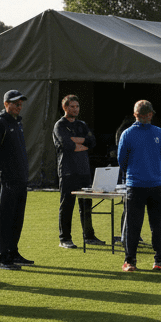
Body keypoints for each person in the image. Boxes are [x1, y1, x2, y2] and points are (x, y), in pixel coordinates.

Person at [118, 100, 161, 272]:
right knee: (147, 225)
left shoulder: (132, 133)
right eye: (146, 114)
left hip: (146, 184)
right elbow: (122, 161)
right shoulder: (134, 133)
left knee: (148, 225)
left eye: (148, 114)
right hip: (142, 184)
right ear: (142, 115)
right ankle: (148, 260)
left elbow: (122, 161)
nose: (147, 117)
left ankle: (138, 261)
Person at [53, 94, 105, 249]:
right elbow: (65, 144)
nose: (75, 109)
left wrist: (76, 140)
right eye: (72, 106)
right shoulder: (59, 125)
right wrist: (80, 142)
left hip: (84, 171)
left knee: (86, 205)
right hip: (68, 171)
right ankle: (65, 239)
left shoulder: (81, 124)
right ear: (65, 107)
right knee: (67, 206)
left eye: (77, 106)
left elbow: (92, 141)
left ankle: (89, 236)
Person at [0, 90, 32, 270]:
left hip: (20, 180)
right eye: (15, 103)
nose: (19, 106)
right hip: (6, 179)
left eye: (21, 103)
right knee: (5, 218)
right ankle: (1, 258)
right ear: (6, 103)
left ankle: (12, 252)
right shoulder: (0, 124)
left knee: (17, 218)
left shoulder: (17, 123)